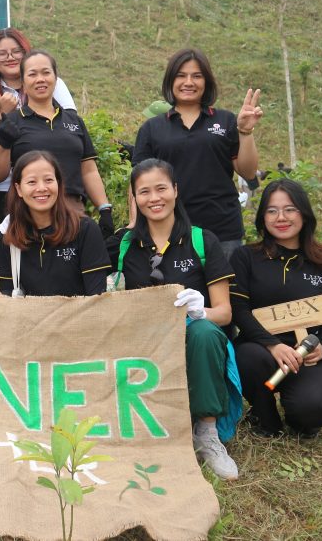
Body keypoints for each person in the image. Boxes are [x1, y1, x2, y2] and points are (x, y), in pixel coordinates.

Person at [110, 159, 239, 480]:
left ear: (176, 191)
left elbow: (224, 313)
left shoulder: (202, 241)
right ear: (134, 199)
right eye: (144, 192)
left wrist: (200, 310)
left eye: (161, 189)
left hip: (189, 341)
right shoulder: (125, 244)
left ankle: (206, 432)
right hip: (143, 343)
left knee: (206, 333)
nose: (154, 198)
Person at [230, 179, 322, 439]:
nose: (281, 217)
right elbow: (238, 308)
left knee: (316, 409)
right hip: (260, 350)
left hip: (306, 356)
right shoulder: (245, 257)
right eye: (272, 210)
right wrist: (272, 345)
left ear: (304, 213)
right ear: (263, 217)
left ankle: (301, 415)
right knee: (247, 358)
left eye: (289, 209)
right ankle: (264, 417)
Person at [132, 49, 263, 258]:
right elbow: (138, 184)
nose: (189, 82)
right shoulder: (152, 128)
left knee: (224, 290)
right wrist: (135, 225)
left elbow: (247, 172)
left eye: (197, 76)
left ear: (207, 82)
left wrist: (245, 131)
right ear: (170, 81)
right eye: (181, 75)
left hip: (223, 231)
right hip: (170, 231)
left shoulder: (226, 120)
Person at [0, 50, 112, 233]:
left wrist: (104, 207)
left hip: (74, 214)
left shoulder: (74, 121)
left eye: (46, 72)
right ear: (23, 81)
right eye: (32, 74)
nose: (40, 79)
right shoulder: (11, 122)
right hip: (30, 216)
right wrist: (4, 143)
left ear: (55, 77)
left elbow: (89, 170)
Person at [0, 29, 77, 222]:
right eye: (2, 53)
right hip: (7, 186)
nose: (10, 57)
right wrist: (4, 116)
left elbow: (68, 123)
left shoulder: (54, 83)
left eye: (16, 51)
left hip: (51, 184)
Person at [0, 150, 111, 298]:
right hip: (30, 320)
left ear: (58, 184)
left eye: (48, 180)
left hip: (80, 319)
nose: (41, 188)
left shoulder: (85, 229)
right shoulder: (9, 234)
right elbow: (8, 292)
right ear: (19, 189)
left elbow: (97, 296)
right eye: (31, 182)